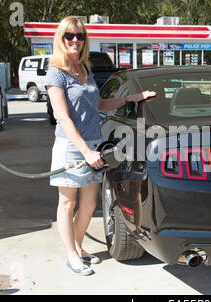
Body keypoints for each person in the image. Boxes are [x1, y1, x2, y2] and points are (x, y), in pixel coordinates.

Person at [46, 16, 155, 276]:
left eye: (80, 36)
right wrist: (85, 150)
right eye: (69, 36)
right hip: (71, 146)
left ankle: (79, 247)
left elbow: (98, 105)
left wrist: (131, 97)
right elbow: (62, 116)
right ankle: (72, 255)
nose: (75, 40)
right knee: (67, 203)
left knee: (88, 203)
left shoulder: (84, 70)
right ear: (61, 39)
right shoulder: (56, 71)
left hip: (93, 144)